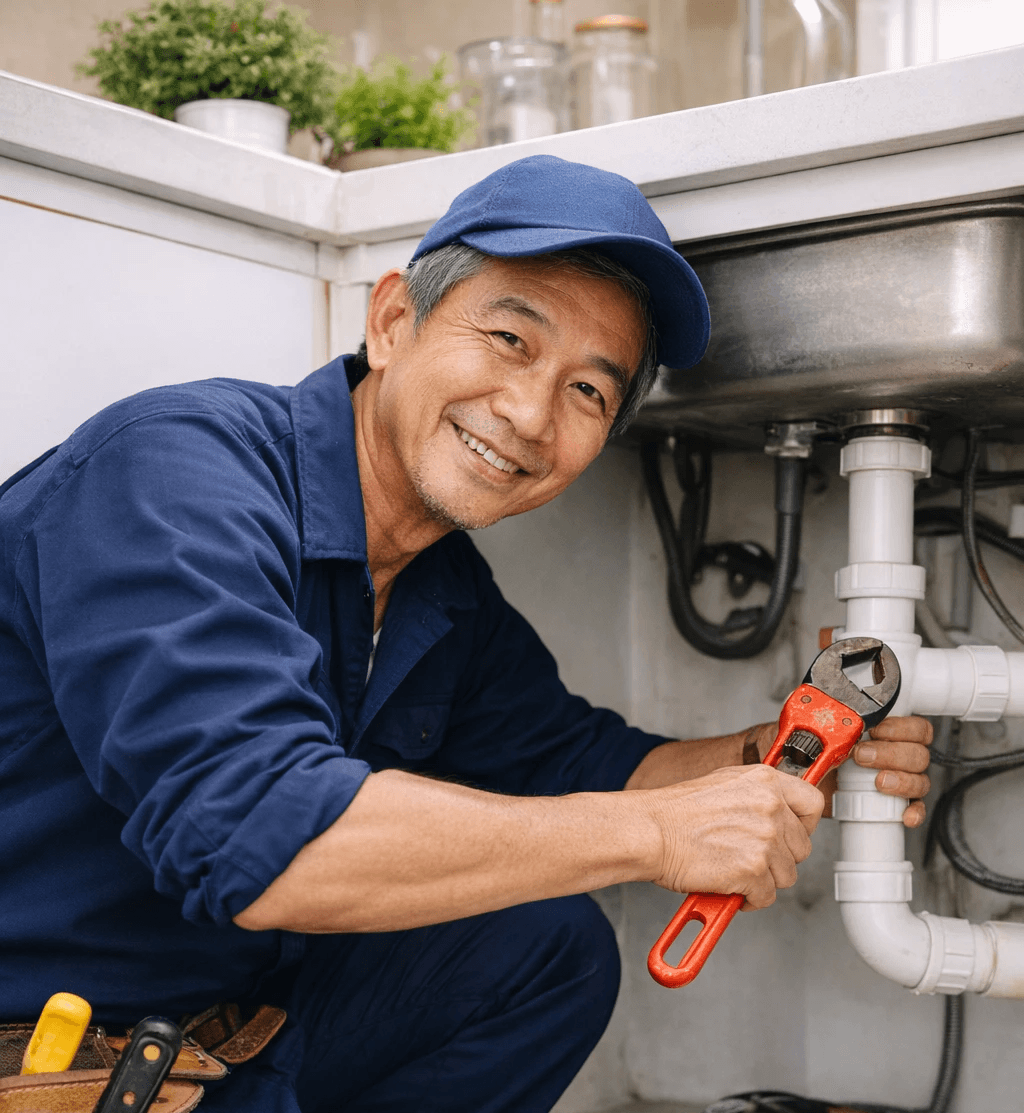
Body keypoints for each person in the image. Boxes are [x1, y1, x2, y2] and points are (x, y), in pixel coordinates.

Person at [0, 155, 932, 1112]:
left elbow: (582, 764)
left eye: (588, 393)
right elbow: (257, 835)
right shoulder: (172, 475)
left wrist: (785, 752)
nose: (529, 414)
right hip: (37, 1068)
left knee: (545, 951)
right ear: (394, 318)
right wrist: (657, 833)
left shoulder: (439, 591)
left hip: (212, 1053)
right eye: (508, 338)